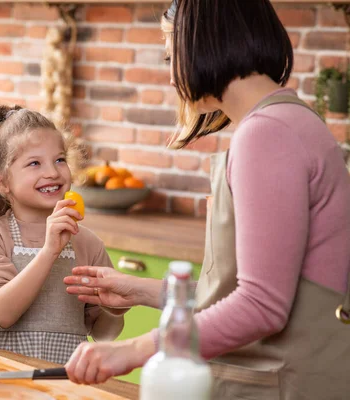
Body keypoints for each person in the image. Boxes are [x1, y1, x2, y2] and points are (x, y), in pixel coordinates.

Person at [63, 0, 350, 397]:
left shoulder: (266, 135)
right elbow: (264, 288)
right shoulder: (293, 120)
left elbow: (262, 305)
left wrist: (132, 350)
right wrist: (141, 290)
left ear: (200, 44)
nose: (170, 76)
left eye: (169, 56)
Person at [0, 105, 126, 365]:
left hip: (66, 382)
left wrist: (114, 309)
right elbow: (0, 314)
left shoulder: (86, 242)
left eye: (60, 159)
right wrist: (49, 251)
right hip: (3, 379)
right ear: (3, 183)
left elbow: (103, 334)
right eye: (34, 163)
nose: (53, 172)